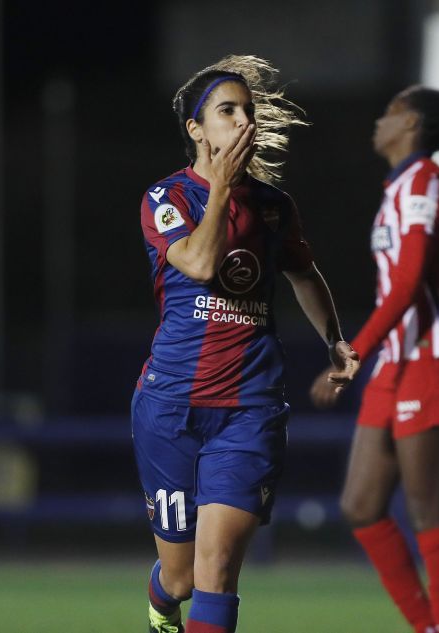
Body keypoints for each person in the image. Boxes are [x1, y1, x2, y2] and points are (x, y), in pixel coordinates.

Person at [133, 54, 360, 633]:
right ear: (196, 130)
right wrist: (220, 191)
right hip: (172, 406)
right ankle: (162, 602)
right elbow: (204, 262)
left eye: (248, 112)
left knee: (218, 570)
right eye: (226, 111)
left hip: (249, 408)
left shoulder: (274, 207)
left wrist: (334, 339)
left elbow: (304, 273)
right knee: (181, 578)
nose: (243, 122)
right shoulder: (168, 200)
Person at [310, 86, 439, 633]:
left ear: (410, 123)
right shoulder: (398, 185)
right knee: (360, 505)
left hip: (433, 356)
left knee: (427, 511)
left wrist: (353, 351)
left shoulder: (424, 182)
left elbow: (409, 281)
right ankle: (430, 628)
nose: (377, 121)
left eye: (387, 112)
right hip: (396, 360)